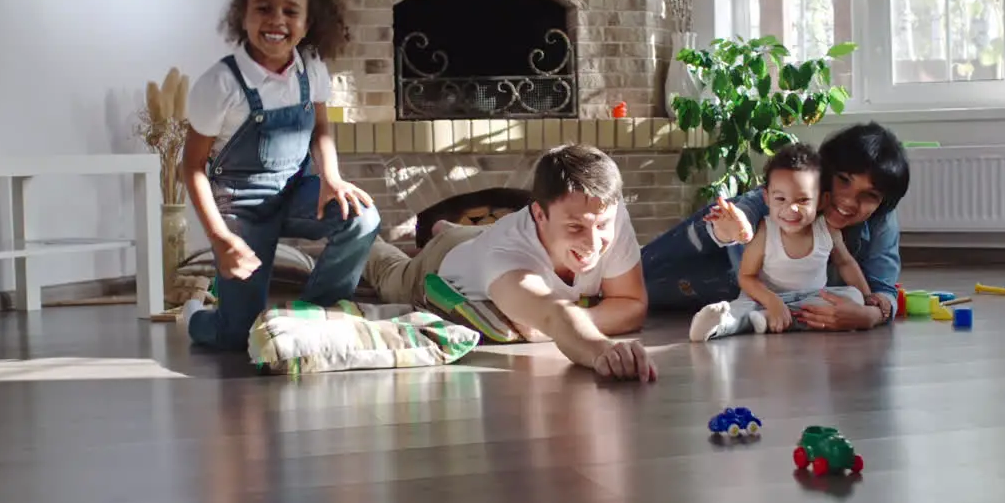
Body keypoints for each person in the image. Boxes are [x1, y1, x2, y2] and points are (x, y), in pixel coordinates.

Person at [178, 0, 381, 351]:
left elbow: (320, 127)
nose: (277, 20)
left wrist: (330, 178)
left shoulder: (311, 68)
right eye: (264, 9)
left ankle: (312, 314)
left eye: (291, 11)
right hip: (242, 208)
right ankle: (197, 317)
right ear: (243, 16)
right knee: (237, 336)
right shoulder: (220, 83)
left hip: (295, 190)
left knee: (361, 216)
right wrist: (219, 238)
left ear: (308, 23)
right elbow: (192, 167)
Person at [363, 144, 656, 382]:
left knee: (483, 239)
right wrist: (601, 349)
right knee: (387, 272)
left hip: (484, 239)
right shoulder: (507, 254)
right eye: (575, 227)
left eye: (603, 225)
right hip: (443, 261)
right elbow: (551, 316)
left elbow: (632, 304)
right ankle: (368, 239)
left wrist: (567, 326)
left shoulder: (607, 214)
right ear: (539, 214)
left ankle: (447, 230)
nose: (594, 244)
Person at [641, 122, 910, 331]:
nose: (850, 200)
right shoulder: (793, 195)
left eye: (870, 196)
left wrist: (870, 315)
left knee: (646, 298)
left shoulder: (881, 221)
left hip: (739, 296)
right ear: (824, 171)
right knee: (634, 278)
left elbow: (882, 290)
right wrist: (738, 226)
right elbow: (752, 204)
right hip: (719, 251)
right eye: (843, 180)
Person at [687, 143, 872, 341]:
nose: (791, 209)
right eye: (781, 199)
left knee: (853, 296)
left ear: (822, 201)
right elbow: (747, 277)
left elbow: (845, 263)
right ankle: (716, 324)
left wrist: (868, 297)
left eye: (802, 200)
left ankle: (766, 321)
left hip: (810, 300)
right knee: (742, 308)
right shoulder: (766, 231)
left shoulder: (827, 230)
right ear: (767, 198)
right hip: (765, 299)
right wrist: (772, 301)